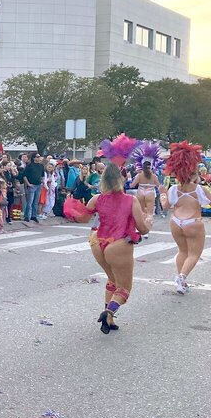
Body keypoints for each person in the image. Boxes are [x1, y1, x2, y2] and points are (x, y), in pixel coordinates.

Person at [63, 164, 150, 334]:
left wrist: (70, 207)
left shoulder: (97, 199)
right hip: (118, 243)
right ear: (121, 179)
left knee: (111, 279)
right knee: (124, 288)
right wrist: (148, 222)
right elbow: (143, 229)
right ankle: (109, 311)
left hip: (97, 242)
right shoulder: (130, 200)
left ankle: (109, 320)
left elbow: (83, 218)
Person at [161, 141, 206, 294]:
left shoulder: (173, 189)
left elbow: (165, 206)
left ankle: (182, 283)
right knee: (194, 254)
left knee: (182, 251)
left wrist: (162, 196)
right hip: (193, 221)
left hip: (176, 222)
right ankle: (181, 277)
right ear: (194, 173)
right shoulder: (199, 189)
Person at [131, 142, 162, 234]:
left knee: (141, 211)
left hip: (140, 191)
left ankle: (139, 228)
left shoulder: (139, 175)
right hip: (150, 192)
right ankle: (147, 231)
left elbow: (132, 185)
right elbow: (158, 186)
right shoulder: (154, 176)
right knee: (149, 213)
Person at [21, 153, 44, 223]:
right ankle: (27, 216)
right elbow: (24, 175)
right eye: (37, 157)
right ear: (34, 158)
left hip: (38, 185)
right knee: (30, 201)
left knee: (36, 202)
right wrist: (28, 183)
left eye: (39, 157)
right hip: (32, 185)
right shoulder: (29, 166)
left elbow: (42, 175)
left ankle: (34, 216)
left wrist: (42, 182)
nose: (38, 158)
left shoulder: (41, 166)